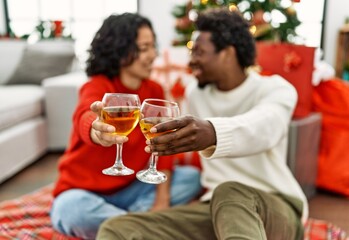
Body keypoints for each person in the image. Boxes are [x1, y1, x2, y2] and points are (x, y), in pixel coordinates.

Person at [97, 8, 308, 240]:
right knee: (117, 228)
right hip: (215, 209)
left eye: (199, 52)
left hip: (276, 206)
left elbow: (266, 127)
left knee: (230, 191)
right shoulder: (196, 94)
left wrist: (213, 132)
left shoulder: (275, 89)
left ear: (228, 53)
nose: (191, 60)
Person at [50, 13, 201, 239]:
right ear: (120, 51)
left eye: (153, 46)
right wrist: (95, 128)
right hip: (83, 192)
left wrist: (161, 202)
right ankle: (143, 226)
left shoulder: (154, 91)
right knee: (71, 210)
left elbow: (164, 151)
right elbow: (84, 115)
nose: (153, 55)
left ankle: (124, 227)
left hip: (133, 187)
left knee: (192, 177)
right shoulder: (98, 85)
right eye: (144, 48)